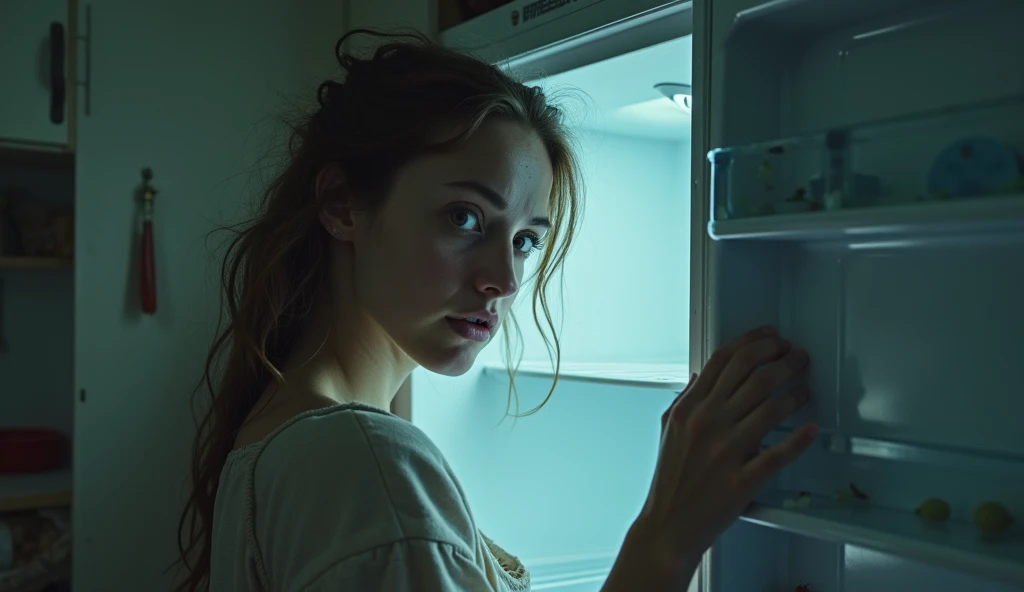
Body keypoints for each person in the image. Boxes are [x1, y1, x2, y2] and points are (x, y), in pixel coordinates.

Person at [174, 29, 816, 592]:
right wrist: (664, 538)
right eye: (465, 218)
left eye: (526, 239)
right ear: (342, 204)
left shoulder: (286, 426)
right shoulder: (359, 459)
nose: (504, 280)